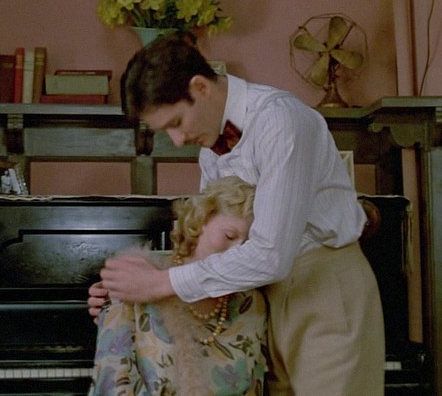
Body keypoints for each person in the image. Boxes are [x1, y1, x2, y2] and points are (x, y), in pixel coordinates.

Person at [87, 34, 384, 394]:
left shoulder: (282, 121)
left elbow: (270, 254)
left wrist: (159, 283)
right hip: (260, 300)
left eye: (176, 122)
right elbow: (208, 246)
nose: (177, 140)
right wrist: (125, 290)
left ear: (201, 88)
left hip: (323, 291)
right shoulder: (211, 152)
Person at [89, 176, 266, 395]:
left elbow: (256, 386)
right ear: (201, 220)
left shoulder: (251, 303)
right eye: (230, 235)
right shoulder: (132, 282)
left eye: (248, 245)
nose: (238, 251)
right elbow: (110, 384)